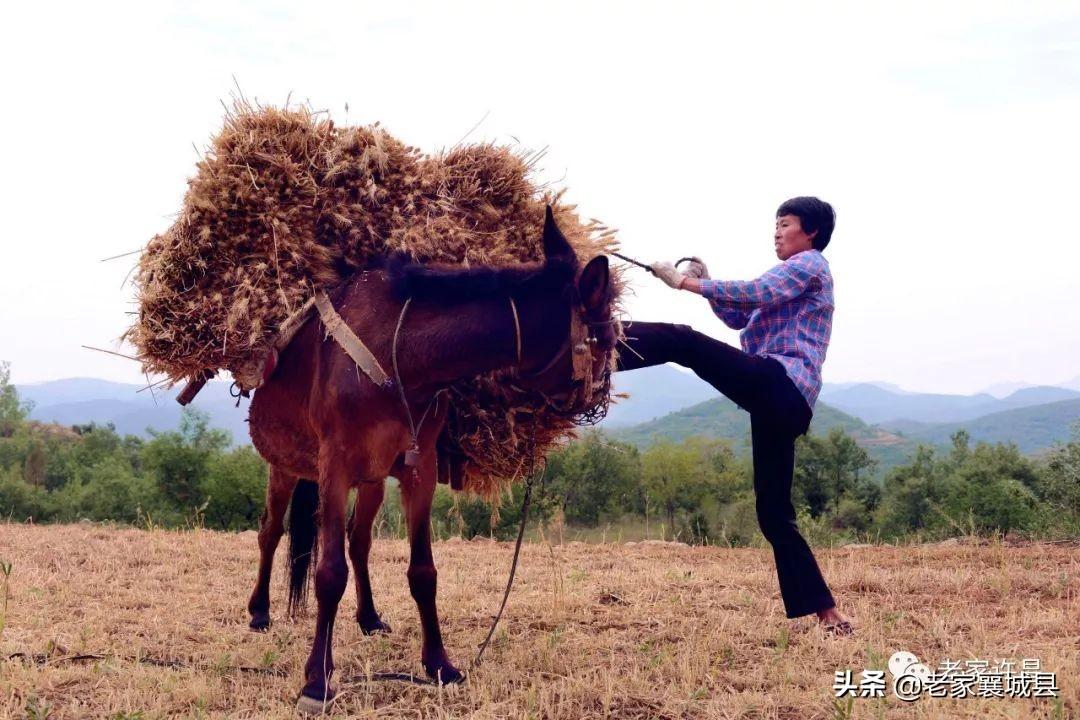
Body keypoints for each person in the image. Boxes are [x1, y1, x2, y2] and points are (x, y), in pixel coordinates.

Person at [617, 196, 853, 635]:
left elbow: (757, 292)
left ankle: (596, 352)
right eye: (776, 225)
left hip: (780, 383)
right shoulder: (790, 278)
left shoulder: (810, 265)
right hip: (780, 401)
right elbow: (738, 316)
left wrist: (684, 285)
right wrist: (705, 284)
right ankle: (826, 611)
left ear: (811, 232)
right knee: (774, 513)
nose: (776, 232)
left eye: (784, 224)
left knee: (681, 341)